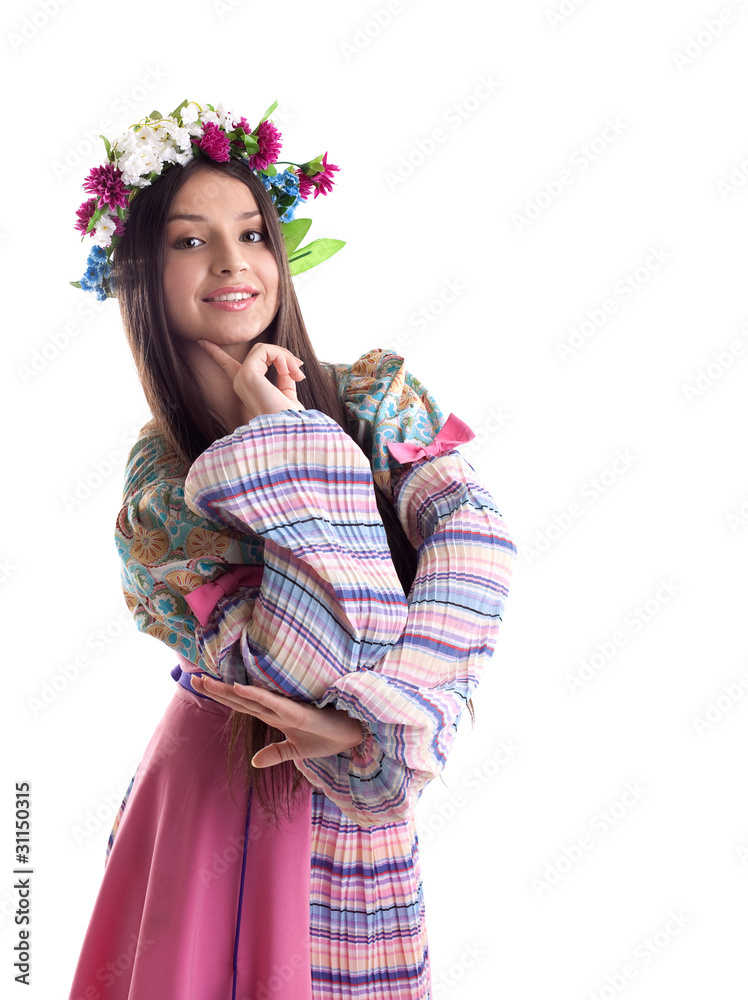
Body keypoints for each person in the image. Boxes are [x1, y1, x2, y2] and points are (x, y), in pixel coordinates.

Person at [66, 99, 517, 1000]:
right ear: (141, 275)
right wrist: (295, 445)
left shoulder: (375, 389)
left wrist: (379, 726)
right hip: (228, 789)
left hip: (360, 801)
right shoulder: (159, 485)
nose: (234, 263)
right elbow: (297, 669)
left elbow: (476, 543)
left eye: (253, 233)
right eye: (191, 241)